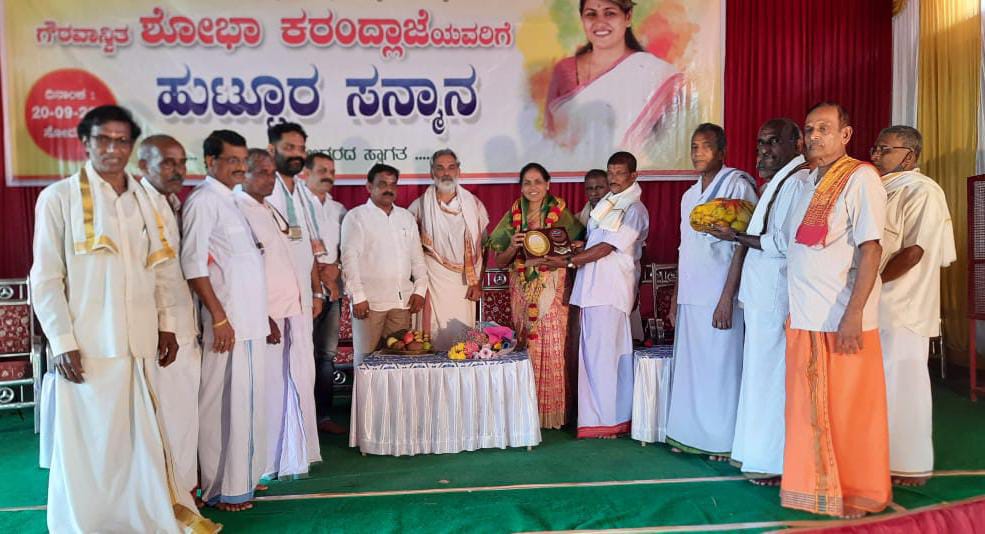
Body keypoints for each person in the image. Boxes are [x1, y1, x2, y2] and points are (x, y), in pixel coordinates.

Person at [31, 105, 216, 532]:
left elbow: (163, 268)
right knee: (91, 446)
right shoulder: (58, 198)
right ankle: (88, 524)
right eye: (103, 139)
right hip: (87, 347)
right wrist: (62, 342)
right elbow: (46, 278)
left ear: (131, 146)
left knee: (139, 443)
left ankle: (139, 520)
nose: (112, 149)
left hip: (140, 343)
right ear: (85, 142)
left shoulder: (145, 200)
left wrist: (167, 324)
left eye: (121, 140)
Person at [781, 102, 890, 518]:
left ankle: (857, 493)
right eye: (809, 129)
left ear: (846, 134)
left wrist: (853, 315)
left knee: (848, 412)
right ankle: (815, 491)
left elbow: (871, 248)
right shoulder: (806, 181)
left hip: (841, 319)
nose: (814, 137)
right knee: (806, 412)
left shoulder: (861, 177)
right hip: (806, 317)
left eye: (824, 129)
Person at [705, 119, 809, 485]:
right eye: (761, 143)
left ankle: (774, 461)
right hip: (762, 296)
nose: (764, 151)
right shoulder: (779, 182)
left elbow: (780, 243)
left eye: (773, 142)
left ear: (797, 144)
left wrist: (733, 235)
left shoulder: (798, 181)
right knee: (759, 378)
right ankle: (757, 455)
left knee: (773, 380)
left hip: (778, 296)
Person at [182, 130, 270, 512]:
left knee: (247, 404)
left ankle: (243, 476)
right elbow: (193, 265)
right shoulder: (204, 201)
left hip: (250, 321)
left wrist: (265, 315)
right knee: (222, 406)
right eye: (231, 159)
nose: (239, 167)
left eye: (242, 160)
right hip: (228, 324)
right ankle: (222, 487)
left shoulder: (232, 200)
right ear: (210, 161)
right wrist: (219, 318)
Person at [539, 152, 648, 438]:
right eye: (610, 173)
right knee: (592, 359)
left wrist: (568, 261)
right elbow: (595, 243)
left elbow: (606, 249)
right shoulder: (608, 206)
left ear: (633, 176)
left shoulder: (634, 209)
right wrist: (575, 249)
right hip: (591, 290)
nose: (613, 178)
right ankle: (596, 420)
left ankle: (611, 421)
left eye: (619, 174)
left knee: (606, 359)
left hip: (610, 292)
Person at [666, 123, 758, 460]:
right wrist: (676, 298)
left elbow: (743, 246)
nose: (698, 153)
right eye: (694, 146)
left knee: (720, 369)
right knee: (692, 370)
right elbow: (684, 249)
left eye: (705, 146)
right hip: (692, 293)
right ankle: (688, 433)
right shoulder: (689, 195)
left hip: (720, 294)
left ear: (722, 151)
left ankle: (720, 441)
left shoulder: (737, 184)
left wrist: (727, 298)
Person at [870, 125, 956, 487]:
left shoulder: (923, 191)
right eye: (875, 149)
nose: (876, 155)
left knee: (904, 383)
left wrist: (871, 284)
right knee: (879, 385)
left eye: (885, 149)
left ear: (910, 156)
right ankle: (877, 458)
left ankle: (909, 465)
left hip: (904, 306)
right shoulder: (880, 189)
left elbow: (914, 251)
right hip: (877, 304)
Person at [237, 149, 321, 479]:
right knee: (267, 391)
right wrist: (264, 315)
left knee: (291, 385)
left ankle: (286, 457)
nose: (269, 179)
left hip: (290, 312)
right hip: (265, 319)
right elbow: (244, 270)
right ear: (242, 173)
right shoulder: (238, 208)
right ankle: (264, 464)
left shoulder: (268, 207)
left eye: (272, 173)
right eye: (261, 172)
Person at [488, 163, 585, 429]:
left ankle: (553, 413)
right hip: (522, 287)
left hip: (553, 285)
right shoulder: (513, 217)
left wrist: (565, 253)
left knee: (553, 344)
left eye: (538, 182)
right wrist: (513, 246)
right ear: (521, 187)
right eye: (527, 183)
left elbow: (577, 249)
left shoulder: (562, 215)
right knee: (527, 344)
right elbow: (501, 261)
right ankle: (526, 411)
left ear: (548, 184)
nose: (533, 188)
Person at [137, 134, 203, 501]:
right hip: (164, 334)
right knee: (168, 416)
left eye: (181, 163)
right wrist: (165, 326)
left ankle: (184, 492)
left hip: (186, 325)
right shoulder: (138, 206)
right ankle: (168, 498)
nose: (177, 170)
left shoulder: (174, 202)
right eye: (167, 163)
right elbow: (149, 272)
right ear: (143, 166)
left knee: (184, 415)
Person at [545, 0, 682, 154]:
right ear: (582, 19)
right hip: (570, 167)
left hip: (629, 167)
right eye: (591, 14)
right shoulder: (564, 70)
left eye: (610, 13)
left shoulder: (655, 72)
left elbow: (663, 143)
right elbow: (550, 138)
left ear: (628, 17)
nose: (600, 22)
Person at [265, 122, 322, 464]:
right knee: (274, 377)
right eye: (289, 148)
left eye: (301, 149)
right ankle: (272, 458)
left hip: (301, 298)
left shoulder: (302, 192)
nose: (297, 155)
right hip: (272, 302)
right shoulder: (261, 190)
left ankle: (299, 452)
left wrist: (316, 292)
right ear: (272, 150)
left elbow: (309, 249)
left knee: (302, 370)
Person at [341, 164, 428, 364]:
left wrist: (420, 290)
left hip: (401, 303)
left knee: (398, 362)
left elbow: (417, 257)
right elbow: (349, 259)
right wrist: (358, 296)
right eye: (382, 184)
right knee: (366, 362)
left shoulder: (406, 217)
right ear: (369, 187)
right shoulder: (356, 217)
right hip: (369, 303)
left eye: (392, 184)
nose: (388, 189)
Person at [408, 149, 490, 350]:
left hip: (464, 283)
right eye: (440, 168)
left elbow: (485, 246)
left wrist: (478, 282)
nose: (446, 173)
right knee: (432, 337)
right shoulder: (420, 206)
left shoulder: (474, 205)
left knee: (461, 341)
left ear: (458, 171)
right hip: (431, 279)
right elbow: (408, 249)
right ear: (432, 172)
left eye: (451, 167)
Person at [301, 151, 349, 435]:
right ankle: (300, 417)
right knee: (299, 354)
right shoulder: (295, 205)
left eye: (331, 171)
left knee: (326, 356)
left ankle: (322, 417)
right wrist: (315, 275)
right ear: (305, 173)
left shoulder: (339, 210)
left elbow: (346, 248)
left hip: (332, 291)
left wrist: (336, 267)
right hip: (302, 292)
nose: (328, 176)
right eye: (322, 170)